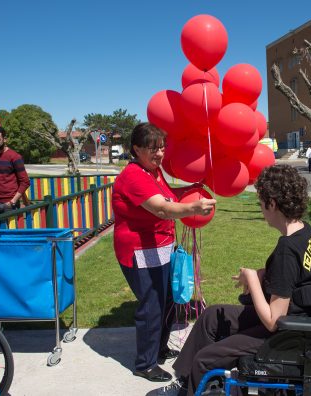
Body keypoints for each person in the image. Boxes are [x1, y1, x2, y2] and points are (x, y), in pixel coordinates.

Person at [169, 165, 311, 396]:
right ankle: (185, 383)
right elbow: (293, 275)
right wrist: (261, 274)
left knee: (204, 360)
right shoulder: (304, 231)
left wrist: (252, 278)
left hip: (285, 333)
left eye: (261, 203)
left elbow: (273, 321)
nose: (260, 208)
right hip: (296, 317)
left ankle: (194, 384)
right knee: (212, 317)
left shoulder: (286, 250)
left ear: (272, 204)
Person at [111, 123, 216, 382]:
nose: (159, 154)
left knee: (167, 300)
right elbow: (161, 209)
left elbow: (168, 195)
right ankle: (145, 363)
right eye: (152, 149)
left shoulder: (154, 172)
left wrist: (193, 188)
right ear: (136, 149)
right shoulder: (134, 176)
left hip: (160, 247)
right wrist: (194, 207)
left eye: (161, 148)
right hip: (139, 250)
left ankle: (158, 349)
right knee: (152, 306)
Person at [0, 126, 31, 217]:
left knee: (10, 231)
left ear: (5, 139)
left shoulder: (15, 157)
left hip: (10, 203)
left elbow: (25, 182)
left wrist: (13, 201)